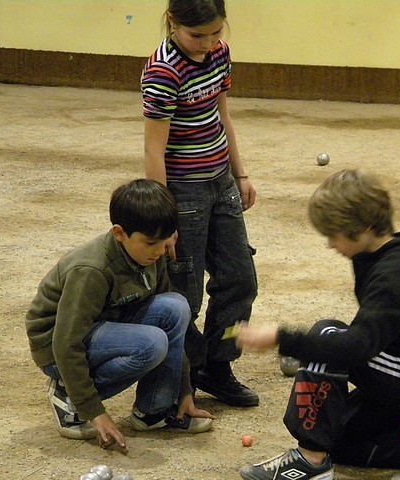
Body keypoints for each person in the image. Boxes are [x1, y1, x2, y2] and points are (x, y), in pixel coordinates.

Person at [236, 169, 400, 479]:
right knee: (338, 440)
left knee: (328, 334)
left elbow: (355, 348)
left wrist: (281, 337)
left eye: (335, 234)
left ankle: (310, 460)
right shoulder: (371, 256)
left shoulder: (396, 275)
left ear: (365, 228)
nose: (331, 244)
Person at [25, 179, 215, 453]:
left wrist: (183, 391)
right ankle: (68, 395)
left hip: (106, 325)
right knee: (151, 343)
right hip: (56, 347)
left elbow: (174, 328)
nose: (159, 251)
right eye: (150, 243)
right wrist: (93, 410)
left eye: (165, 241)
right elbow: (66, 342)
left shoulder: (151, 255)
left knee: (176, 306)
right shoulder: (91, 270)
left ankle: (153, 411)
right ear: (119, 233)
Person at [141, 0, 259, 408]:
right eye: (197, 35)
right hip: (183, 192)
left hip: (220, 181)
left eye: (216, 33)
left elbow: (223, 116)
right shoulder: (163, 71)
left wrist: (240, 174)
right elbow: (154, 151)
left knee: (240, 280)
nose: (208, 43)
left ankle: (218, 366)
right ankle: (183, 377)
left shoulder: (219, 54)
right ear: (172, 21)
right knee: (184, 295)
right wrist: (163, 219)